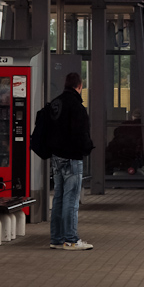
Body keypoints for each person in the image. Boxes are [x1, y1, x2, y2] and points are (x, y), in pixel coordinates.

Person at [48, 72, 95, 250]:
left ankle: (56, 238)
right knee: (72, 199)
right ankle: (71, 240)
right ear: (79, 86)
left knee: (58, 197)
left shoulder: (55, 104)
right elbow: (81, 134)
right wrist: (86, 148)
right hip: (72, 158)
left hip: (56, 157)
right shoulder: (77, 107)